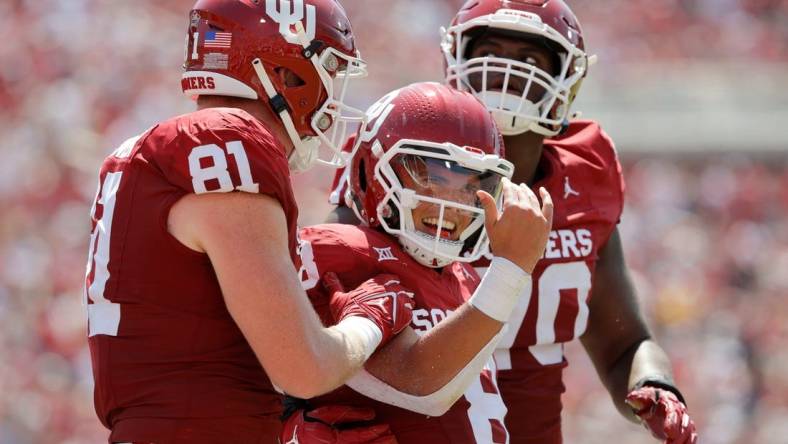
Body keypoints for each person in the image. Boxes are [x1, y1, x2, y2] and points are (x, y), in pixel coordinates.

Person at [328, 1, 698, 443]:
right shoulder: (400, 153)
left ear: (565, 78)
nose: (506, 70)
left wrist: (656, 384)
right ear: (458, 57)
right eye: (491, 51)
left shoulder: (585, 171)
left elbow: (622, 343)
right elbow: (330, 301)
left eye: (529, 59)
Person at [83, 1, 414, 442]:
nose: (334, 95)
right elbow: (304, 368)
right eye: (329, 70)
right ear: (284, 73)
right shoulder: (228, 138)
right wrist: (370, 318)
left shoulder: (144, 152)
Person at [280, 82, 554, 443]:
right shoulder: (338, 250)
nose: (452, 201)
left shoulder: (465, 277)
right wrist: (509, 270)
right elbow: (422, 386)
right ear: (371, 167)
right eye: (431, 177)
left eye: (470, 185)